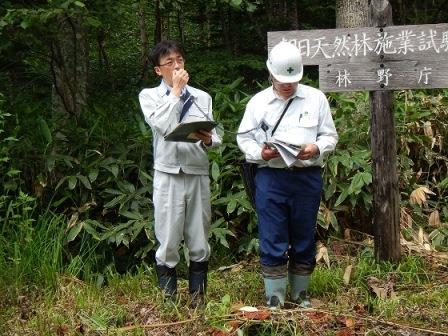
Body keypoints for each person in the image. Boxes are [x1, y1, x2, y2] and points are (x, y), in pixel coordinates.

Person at [237, 41, 338, 309]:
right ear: (270, 73)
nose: (287, 85)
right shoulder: (258, 103)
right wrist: (261, 153)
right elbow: (244, 139)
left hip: (307, 177)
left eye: (292, 80)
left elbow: (330, 135)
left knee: (304, 235)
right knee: (272, 236)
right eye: (282, 79)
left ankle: (301, 295)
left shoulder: (316, 98)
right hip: (271, 177)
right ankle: (275, 298)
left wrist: (316, 148)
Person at [138, 40, 221, 303]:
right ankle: (169, 298)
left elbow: (215, 138)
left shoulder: (202, 97)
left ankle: (198, 296)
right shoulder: (149, 96)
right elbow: (161, 125)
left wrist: (208, 139)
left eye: (180, 60)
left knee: (199, 233)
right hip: (168, 173)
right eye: (169, 62)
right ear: (157, 70)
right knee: (169, 234)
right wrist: (175, 91)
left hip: (197, 171)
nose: (176, 66)